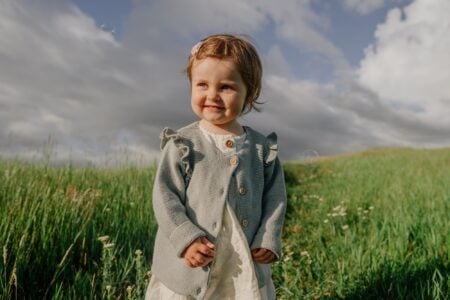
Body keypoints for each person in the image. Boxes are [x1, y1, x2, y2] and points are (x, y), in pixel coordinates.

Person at [146, 34, 287, 300]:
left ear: (249, 93)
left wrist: (268, 236)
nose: (212, 95)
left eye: (226, 87)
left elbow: (275, 197)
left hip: (240, 259)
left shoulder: (261, 148)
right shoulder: (183, 144)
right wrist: (185, 238)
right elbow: (165, 197)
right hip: (191, 262)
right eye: (202, 85)